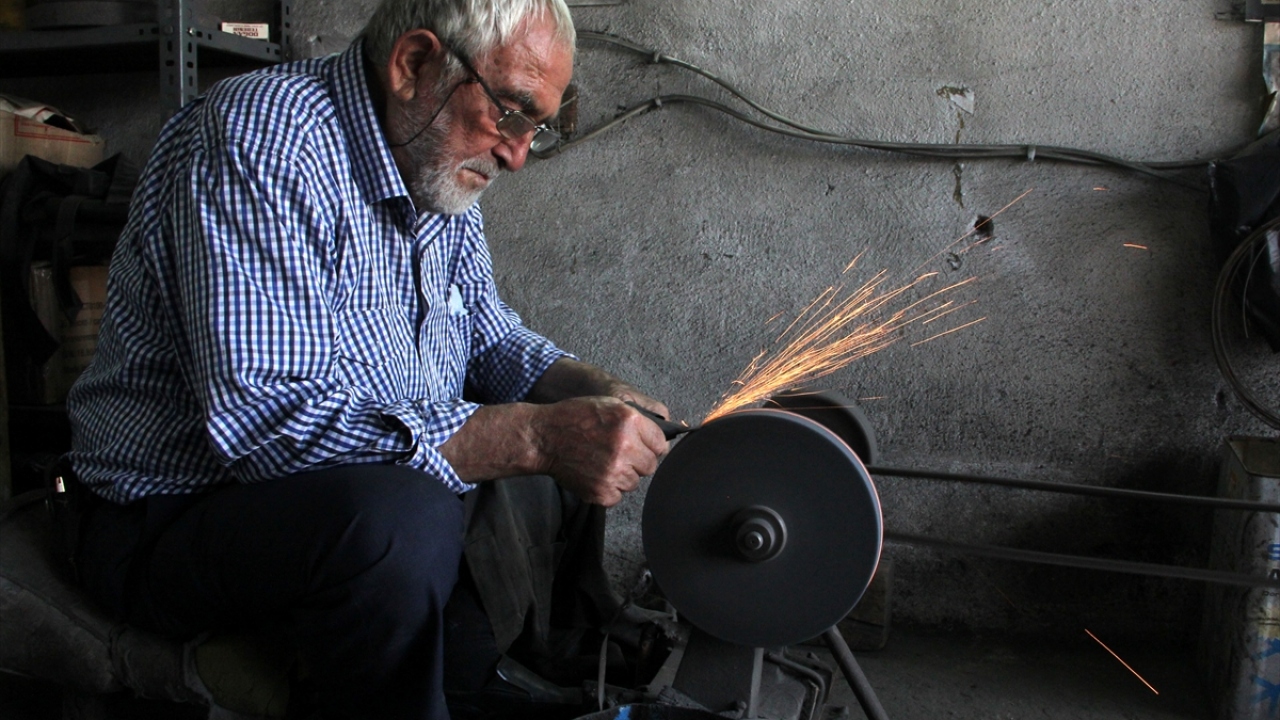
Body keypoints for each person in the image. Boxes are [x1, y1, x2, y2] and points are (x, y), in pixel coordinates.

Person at [61, 0, 670, 717]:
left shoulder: (435, 158)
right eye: (509, 112)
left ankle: (503, 672)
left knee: (557, 439)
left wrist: (587, 389)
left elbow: (484, 331)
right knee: (400, 518)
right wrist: (537, 437)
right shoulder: (260, 139)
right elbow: (267, 424)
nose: (515, 153)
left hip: (326, 491)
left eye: (535, 126)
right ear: (413, 64)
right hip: (168, 512)